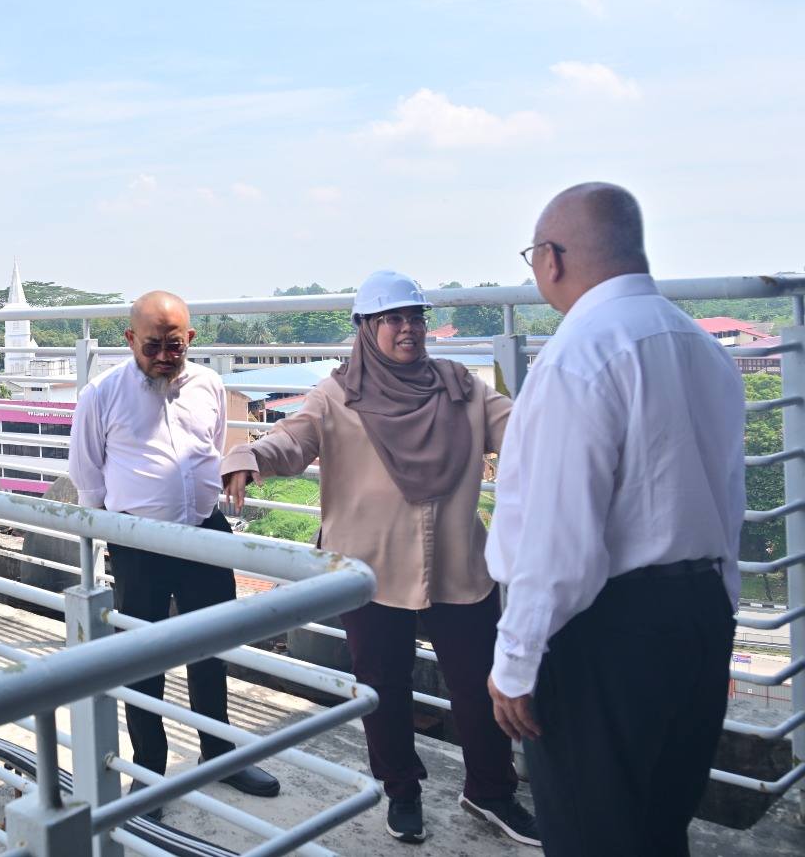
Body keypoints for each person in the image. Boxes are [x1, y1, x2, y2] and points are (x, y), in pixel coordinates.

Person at [223, 269, 541, 847]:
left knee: (479, 682)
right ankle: (402, 791)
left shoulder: (459, 388)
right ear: (366, 329)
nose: (407, 329)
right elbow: (293, 439)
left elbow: (523, 429)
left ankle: (491, 791)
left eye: (415, 317)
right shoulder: (337, 395)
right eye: (392, 319)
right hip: (369, 566)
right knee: (383, 686)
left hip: (457, 562)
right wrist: (249, 457)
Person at [486, 183, 744, 856]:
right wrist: (721, 612)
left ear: (552, 259)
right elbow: (729, 500)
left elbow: (558, 539)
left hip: (603, 631)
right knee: (661, 825)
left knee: (591, 834)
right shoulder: (701, 346)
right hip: (699, 616)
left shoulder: (579, 354)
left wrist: (515, 661)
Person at [68, 290, 281, 799]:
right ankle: (148, 776)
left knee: (212, 649)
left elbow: (214, 445)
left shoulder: (209, 384)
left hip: (206, 534)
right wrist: (110, 542)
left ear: (190, 338)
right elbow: (87, 477)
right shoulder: (101, 394)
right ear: (129, 340)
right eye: (152, 346)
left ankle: (219, 755)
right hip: (138, 543)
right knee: (144, 662)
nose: (164, 356)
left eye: (175, 345)